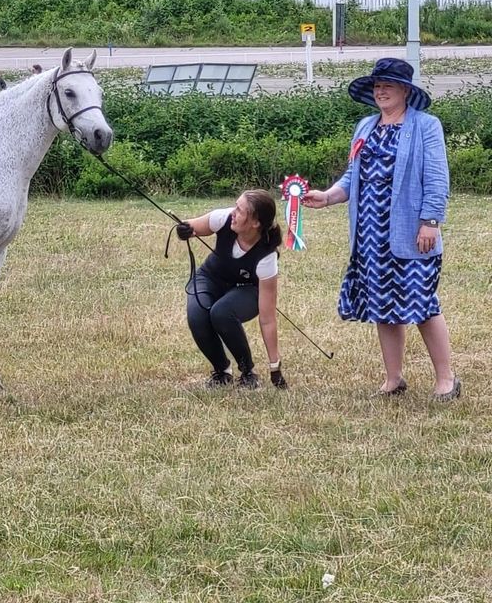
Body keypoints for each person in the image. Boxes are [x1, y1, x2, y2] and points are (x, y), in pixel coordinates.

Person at [302, 58, 459, 401]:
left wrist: (430, 221)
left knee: (423, 304)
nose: (381, 91)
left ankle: (447, 380)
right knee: (383, 307)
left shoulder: (425, 126)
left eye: (388, 85)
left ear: (405, 90)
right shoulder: (365, 127)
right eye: (377, 86)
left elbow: (436, 178)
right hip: (370, 234)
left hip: (412, 231)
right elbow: (353, 177)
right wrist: (327, 196)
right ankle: (394, 380)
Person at [175, 190, 286, 390]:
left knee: (222, 312)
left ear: (255, 223)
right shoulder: (224, 218)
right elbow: (193, 226)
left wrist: (275, 366)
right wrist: (184, 229)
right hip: (210, 277)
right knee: (197, 315)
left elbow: (268, 318)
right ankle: (221, 371)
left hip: (247, 290)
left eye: (240, 211)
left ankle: (247, 372)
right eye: (236, 206)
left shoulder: (266, 256)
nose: (233, 212)